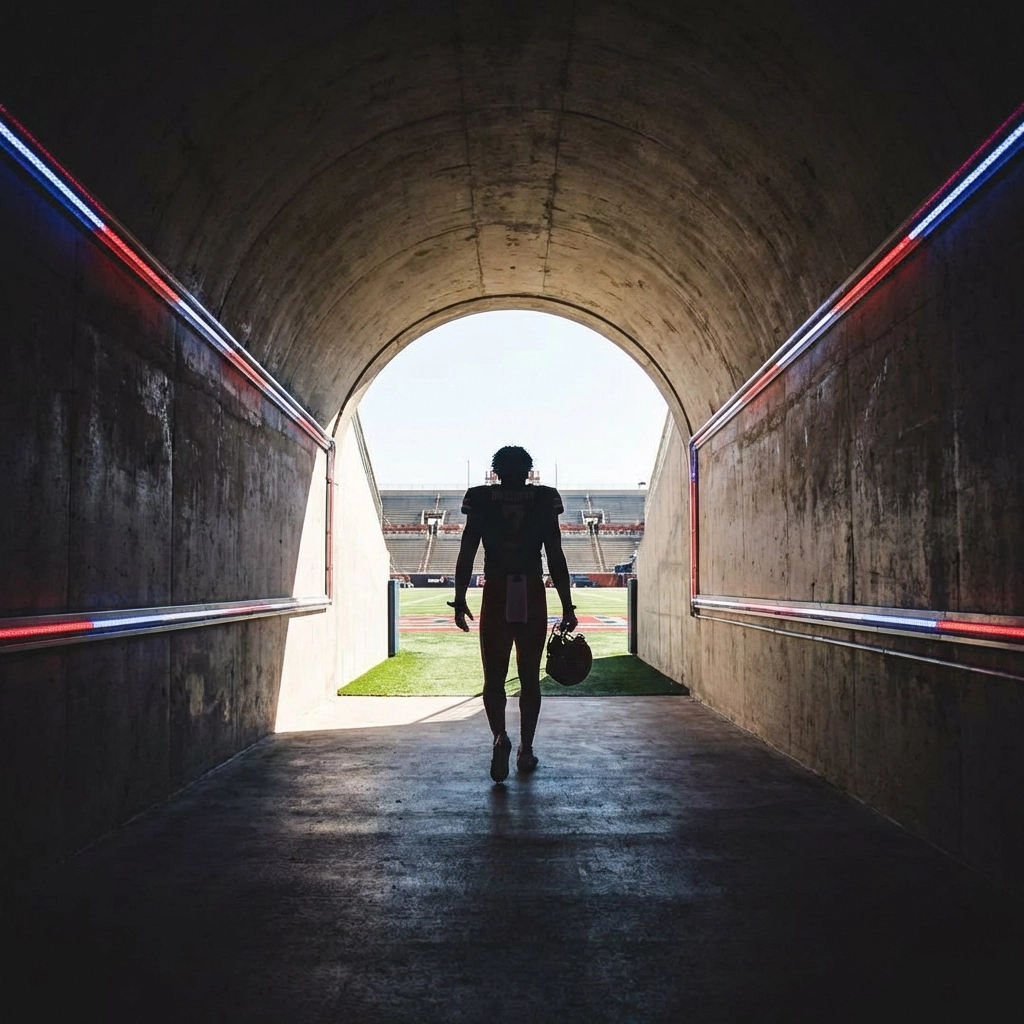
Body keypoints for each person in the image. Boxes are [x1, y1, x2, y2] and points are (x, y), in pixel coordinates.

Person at [449, 446, 577, 782]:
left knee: (494, 677)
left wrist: (460, 596)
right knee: (530, 678)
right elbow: (555, 556)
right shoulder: (544, 499)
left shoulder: (480, 499)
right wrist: (567, 604)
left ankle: (500, 737)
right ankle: (527, 749)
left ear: (496, 472)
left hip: (497, 590)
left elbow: (468, 549)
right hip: (532, 590)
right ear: (529, 471)